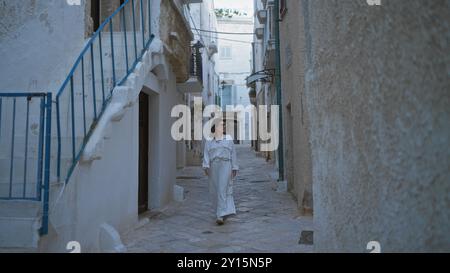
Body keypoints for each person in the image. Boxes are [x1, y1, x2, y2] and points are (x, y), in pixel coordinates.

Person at [202, 120, 239, 225]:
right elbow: (206, 154)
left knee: (222, 188)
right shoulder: (209, 141)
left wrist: (234, 167)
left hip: (225, 166)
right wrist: (206, 166)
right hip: (214, 166)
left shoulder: (228, 140)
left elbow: (233, 154)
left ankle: (220, 215)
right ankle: (220, 211)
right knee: (214, 190)